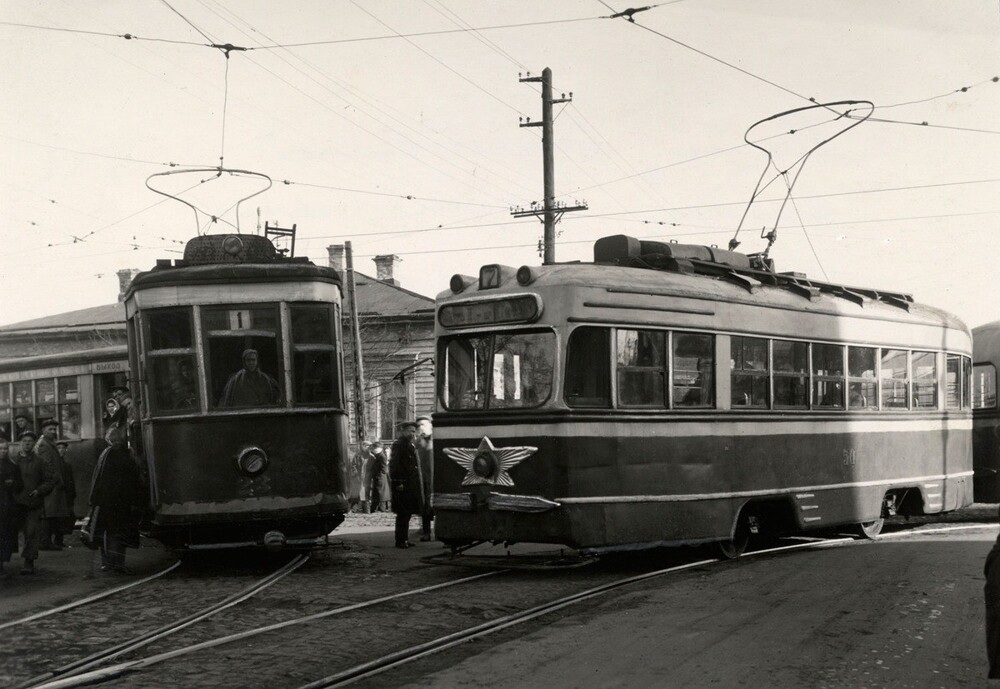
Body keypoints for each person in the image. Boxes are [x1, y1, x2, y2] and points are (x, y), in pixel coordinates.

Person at [85, 424, 142, 573]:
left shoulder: (106, 454)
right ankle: (117, 564)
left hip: (107, 502)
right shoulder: (126, 455)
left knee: (107, 533)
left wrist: (95, 500)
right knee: (118, 534)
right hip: (122, 502)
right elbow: (133, 479)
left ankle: (109, 563)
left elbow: (99, 478)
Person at [13, 431, 57, 574]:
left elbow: (50, 481)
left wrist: (39, 491)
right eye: (24, 441)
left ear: (34, 444)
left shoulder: (40, 461)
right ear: (20, 443)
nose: (27, 444)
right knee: (9, 532)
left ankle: (28, 562)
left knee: (31, 533)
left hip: (33, 503)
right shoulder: (13, 461)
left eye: (30, 441)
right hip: (15, 503)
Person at [36, 419, 74, 550]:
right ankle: (45, 542)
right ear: (43, 430)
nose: (53, 431)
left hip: (52, 483)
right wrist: (57, 480)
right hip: (51, 484)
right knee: (48, 513)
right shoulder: (44, 445)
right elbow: (48, 465)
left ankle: (46, 541)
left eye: (54, 429)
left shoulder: (48, 443)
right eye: (50, 429)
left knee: (50, 513)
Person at [389, 421, 423, 549]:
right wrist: (399, 482)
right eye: (409, 431)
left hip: (410, 485)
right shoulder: (399, 445)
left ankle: (405, 539)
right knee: (403, 514)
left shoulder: (410, 445)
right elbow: (394, 466)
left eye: (414, 431)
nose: (412, 433)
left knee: (407, 513)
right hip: (402, 485)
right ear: (403, 431)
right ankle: (400, 541)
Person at [0, 437, 24, 575]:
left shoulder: (12, 466)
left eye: (5, 448)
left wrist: (13, 483)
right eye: (0, 449)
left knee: (4, 534)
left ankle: (1, 563)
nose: (3, 451)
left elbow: (20, 485)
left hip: (6, 506)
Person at [415, 415, 434, 541]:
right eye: (419, 425)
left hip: (437, 478)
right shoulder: (417, 442)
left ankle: (444, 534)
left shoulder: (437, 439)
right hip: (424, 479)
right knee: (425, 507)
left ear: (430, 426)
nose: (421, 427)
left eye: (424, 424)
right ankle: (426, 532)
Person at [367, 442, 391, 513]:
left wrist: (378, 475)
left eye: (375, 448)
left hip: (380, 478)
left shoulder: (382, 456)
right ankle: (376, 509)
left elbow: (384, 469)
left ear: (379, 448)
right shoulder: (378, 455)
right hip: (379, 478)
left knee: (380, 495)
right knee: (378, 495)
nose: (374, 450)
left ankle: (379, 510)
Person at [350, 441, 372, 513]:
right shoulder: (357, 455)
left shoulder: (371, 455)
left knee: (365, 495)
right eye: (367, 446)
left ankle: (366, 510)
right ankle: (354, 509)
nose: (368, 448)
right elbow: (353, 466)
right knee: (358, 494)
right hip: (359, 478)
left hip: (368, 478)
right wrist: (356, 475)